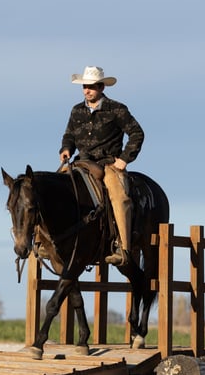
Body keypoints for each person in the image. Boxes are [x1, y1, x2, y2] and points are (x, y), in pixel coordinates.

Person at [59, 66, 144, 266]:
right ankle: (47, 241)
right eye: (84, 87)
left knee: (119, 197)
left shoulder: (117, 109)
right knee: (53, 187)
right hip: (80, 161)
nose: (86, 91)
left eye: (90, 87)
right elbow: (69, 134)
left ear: (101, 87)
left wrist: (124, 159)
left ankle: (122, 247)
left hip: (108, 164)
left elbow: (137, 133)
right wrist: (66, 148)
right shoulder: (76, 110)